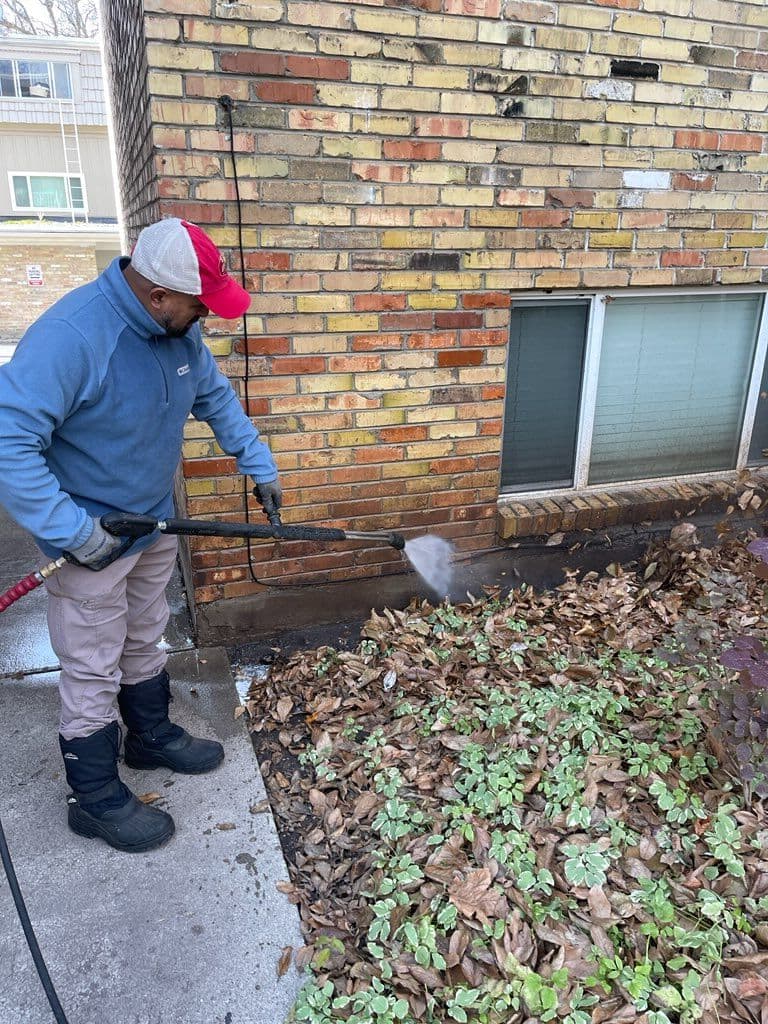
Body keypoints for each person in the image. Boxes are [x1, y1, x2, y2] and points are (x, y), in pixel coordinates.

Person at [0, 218, 282, 854]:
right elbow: (8, 440)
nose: (204, 315)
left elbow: (214, 398)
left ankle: (148, 736)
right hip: (90, 537)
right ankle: (94, 798)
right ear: (158, 295)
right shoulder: (73, 338)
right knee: (91, 666)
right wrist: (70, 530)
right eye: (198, 304)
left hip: (152, 522)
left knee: (143, 632)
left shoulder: (179, 334)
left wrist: (257, 464)